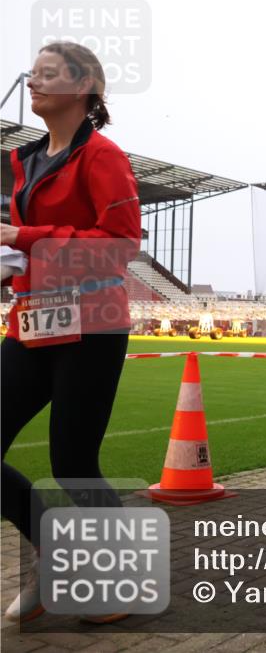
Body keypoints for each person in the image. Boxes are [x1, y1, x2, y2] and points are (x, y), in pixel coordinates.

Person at [1, 42, 141, 624]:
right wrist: (11, 265)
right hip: (31, 321)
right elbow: (36, 249)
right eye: (31, 72)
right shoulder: (28, 159)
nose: (33, 81)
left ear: (84, 88)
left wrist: (25, 238)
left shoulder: (102, 156)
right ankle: (52, 550)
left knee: (73, 464)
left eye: (47, 73)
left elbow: (121, 246)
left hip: (93, 324)